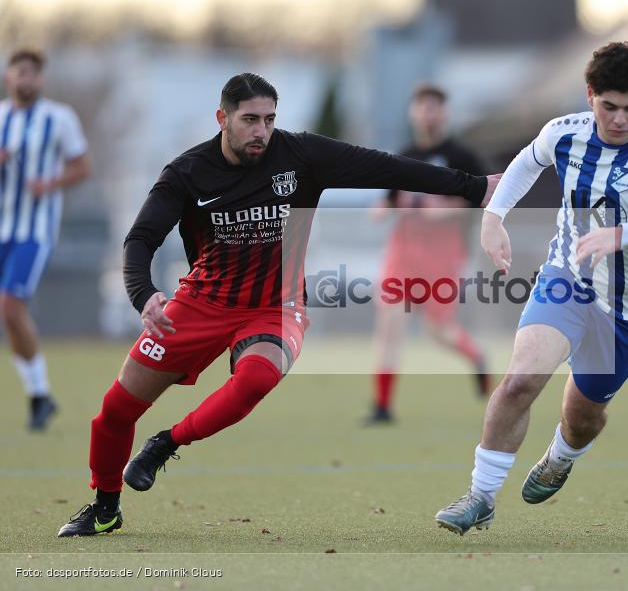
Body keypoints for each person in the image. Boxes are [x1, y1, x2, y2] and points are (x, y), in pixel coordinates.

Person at [57, 72, 500, 537]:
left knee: (256, 378)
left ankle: (165, 444)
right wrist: (144, 296)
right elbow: (141, 238)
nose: (261, 131)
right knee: (114, 413)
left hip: (276, 306)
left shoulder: (302, 155)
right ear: (222, 118)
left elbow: (388, 167)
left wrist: (474, 187)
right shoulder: (187, 172)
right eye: (250, 120)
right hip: (199, 304)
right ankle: (105, 507)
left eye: (269, 119)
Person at [434, 42, 628, 535]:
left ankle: (561, 456)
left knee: (583, 416)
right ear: (590, 96)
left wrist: (624, 235)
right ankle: (480, 496)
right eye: (609, 106)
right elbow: (525, 164)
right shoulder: (563, 133)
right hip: (568, 279)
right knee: (521, 379)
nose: (620, 119)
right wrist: (493, 218)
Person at [365, 84, 491, 425]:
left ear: (445, 112)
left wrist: (446, 208)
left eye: (436, 106)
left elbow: (483, 197)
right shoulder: (402, 156)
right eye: (423, 106)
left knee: (440, 331)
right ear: (413, 112)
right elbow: (391, 200)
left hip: (442, 255)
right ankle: (382, 406)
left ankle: (478, 358)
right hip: (402, 252)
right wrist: (382, 208)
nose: (429, 113)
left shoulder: (462, 157)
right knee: (388, 322)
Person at [0, 48, 91, 431]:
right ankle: (40, 396)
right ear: (9, 76)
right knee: (11, 315)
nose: (26, 79)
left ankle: (39, 394)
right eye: (20, 72)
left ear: (41, 79)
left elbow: (82, 167)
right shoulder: (1, 117)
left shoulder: (59, 118)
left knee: (10, 307)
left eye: (32, 73)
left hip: (34, 232)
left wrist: (50, 183)